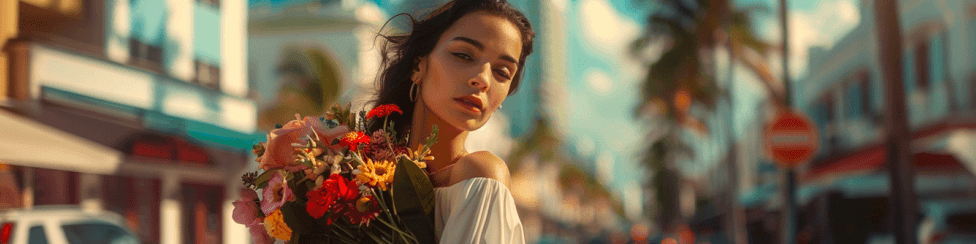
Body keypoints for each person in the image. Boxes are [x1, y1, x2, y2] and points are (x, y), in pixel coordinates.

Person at [371, 0, 535, 243]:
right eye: (463, 55)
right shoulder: (360, 168)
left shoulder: (482, 176)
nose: (482, 79)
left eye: (502, 72)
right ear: (418, 65)